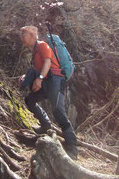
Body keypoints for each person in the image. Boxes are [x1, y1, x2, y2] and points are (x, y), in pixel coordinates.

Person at [19, 25, 78, 160]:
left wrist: (39, 79)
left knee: (58, 110)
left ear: (33, 35)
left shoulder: (42, 45)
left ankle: (72, 147)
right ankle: (45, 126)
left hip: (56, 80)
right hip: (46, 81)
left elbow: (47, 63)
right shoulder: (34, 51)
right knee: (30, 100)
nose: (22, 37)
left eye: (24, 34)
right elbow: (39, 68)